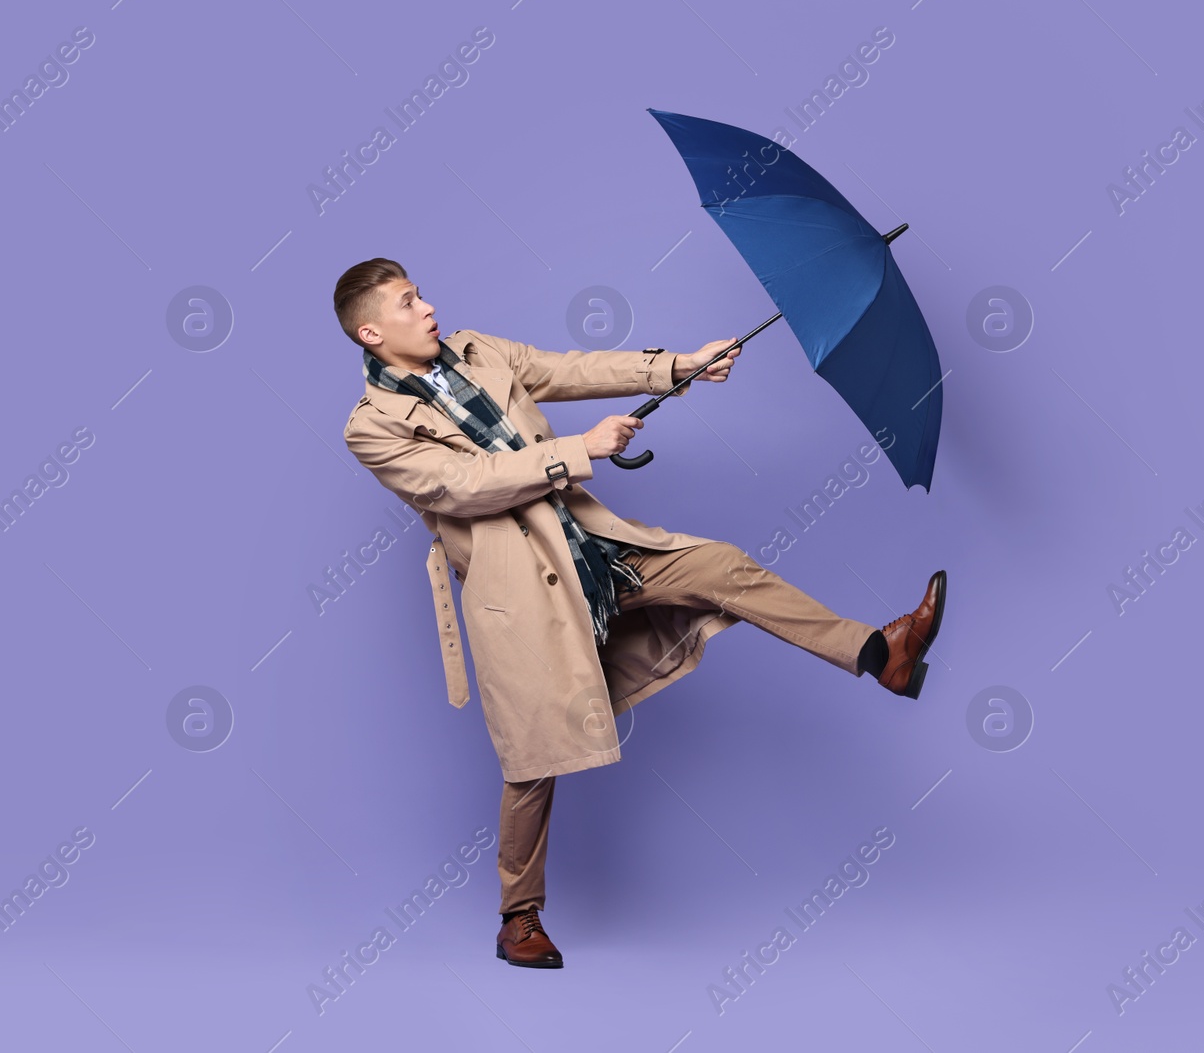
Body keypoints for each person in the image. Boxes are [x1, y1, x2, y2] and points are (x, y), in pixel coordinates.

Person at [336, 258, 946, 969]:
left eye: (422, 293)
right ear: (373, 331)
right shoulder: (371, 427)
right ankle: (518, 916)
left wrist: (678, 367)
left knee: (720, 567)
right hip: (520, 594)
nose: (429, 306)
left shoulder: (476, 349)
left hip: (594, 552)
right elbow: (462, 486)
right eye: (409, 303)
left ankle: (879, 652)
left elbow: (568, 369)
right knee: (532, 761)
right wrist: (578, 450)